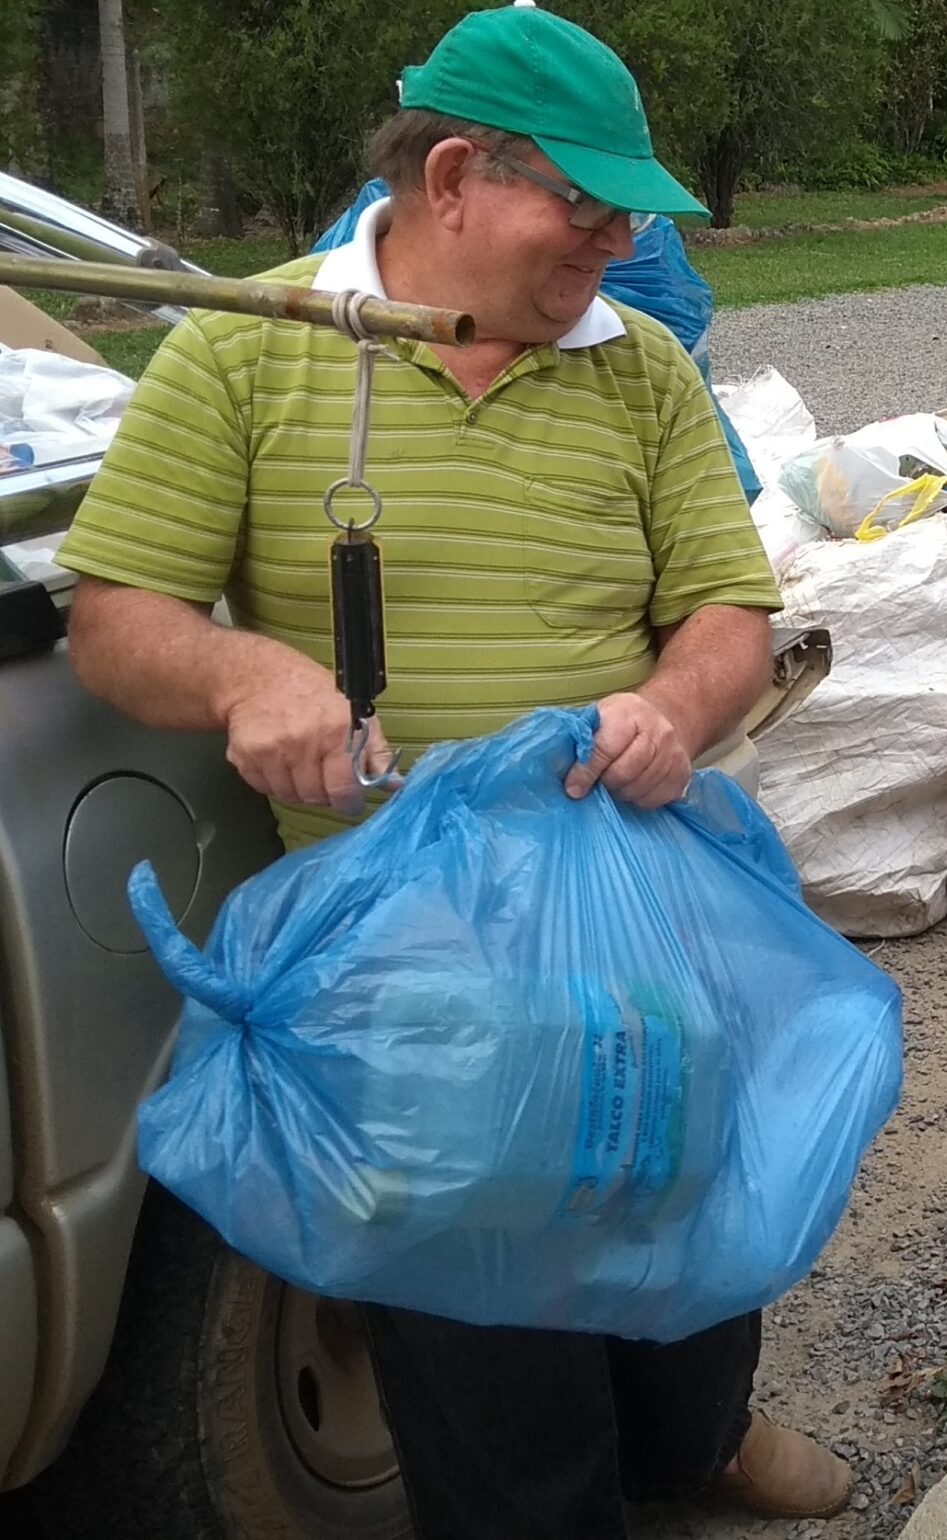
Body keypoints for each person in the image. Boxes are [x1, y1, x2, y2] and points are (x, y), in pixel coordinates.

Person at [51, 7, 849, 1534]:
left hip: (635, 911)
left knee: (688, 1243)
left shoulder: (643, 375)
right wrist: (246, 671)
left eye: (627, 215)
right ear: (457, 179)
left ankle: (698, 1444)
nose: (616, 245)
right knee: (495, 1378)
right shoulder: (248, 348)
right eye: (589, 207)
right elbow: (114, 621)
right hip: (410, 970)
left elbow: (731, 616)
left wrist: (680, 700)